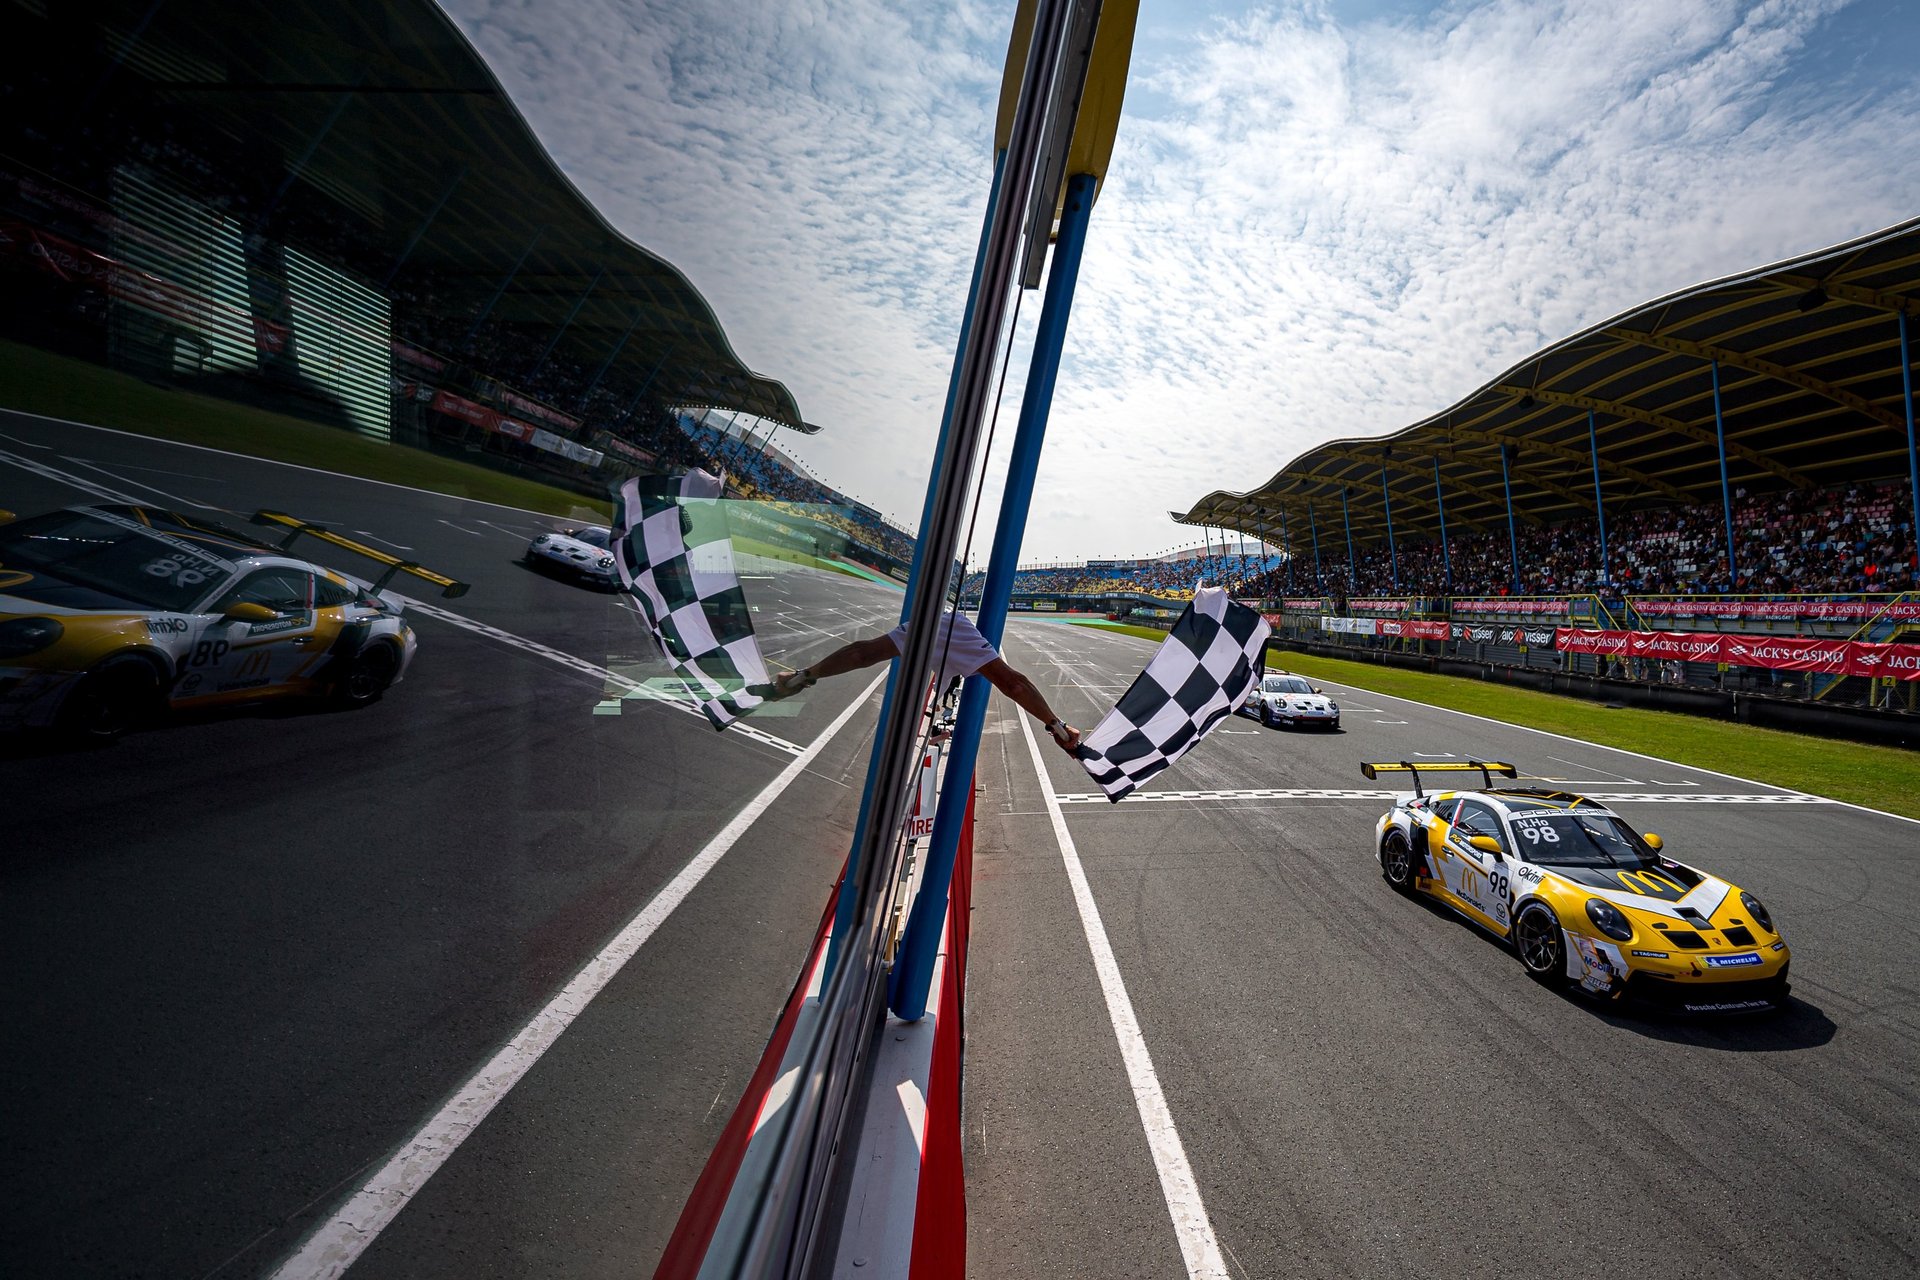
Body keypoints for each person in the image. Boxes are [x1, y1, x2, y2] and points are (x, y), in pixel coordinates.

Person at [773, 611, 1082, 752]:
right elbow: (1013, 684)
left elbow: (861, 654)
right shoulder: (953, 628)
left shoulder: (941, 623)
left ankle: (799, 678)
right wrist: (1057, 726)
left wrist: (804, 676)